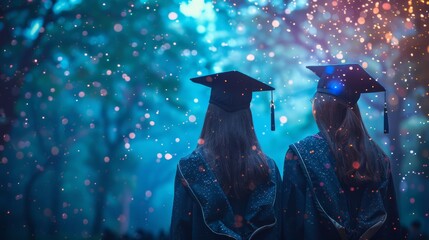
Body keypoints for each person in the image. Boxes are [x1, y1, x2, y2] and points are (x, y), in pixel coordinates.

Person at [282, 64, 401, 240]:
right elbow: (391, 224)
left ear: (321, 107)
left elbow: (292, 224)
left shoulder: (300, 154)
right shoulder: (378, 158)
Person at [170, 71, 282, 240]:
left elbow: (180, 229)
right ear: (247, 118)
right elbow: (283, 228)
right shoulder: (267, 168)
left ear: (210, 115)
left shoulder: (190, 167)